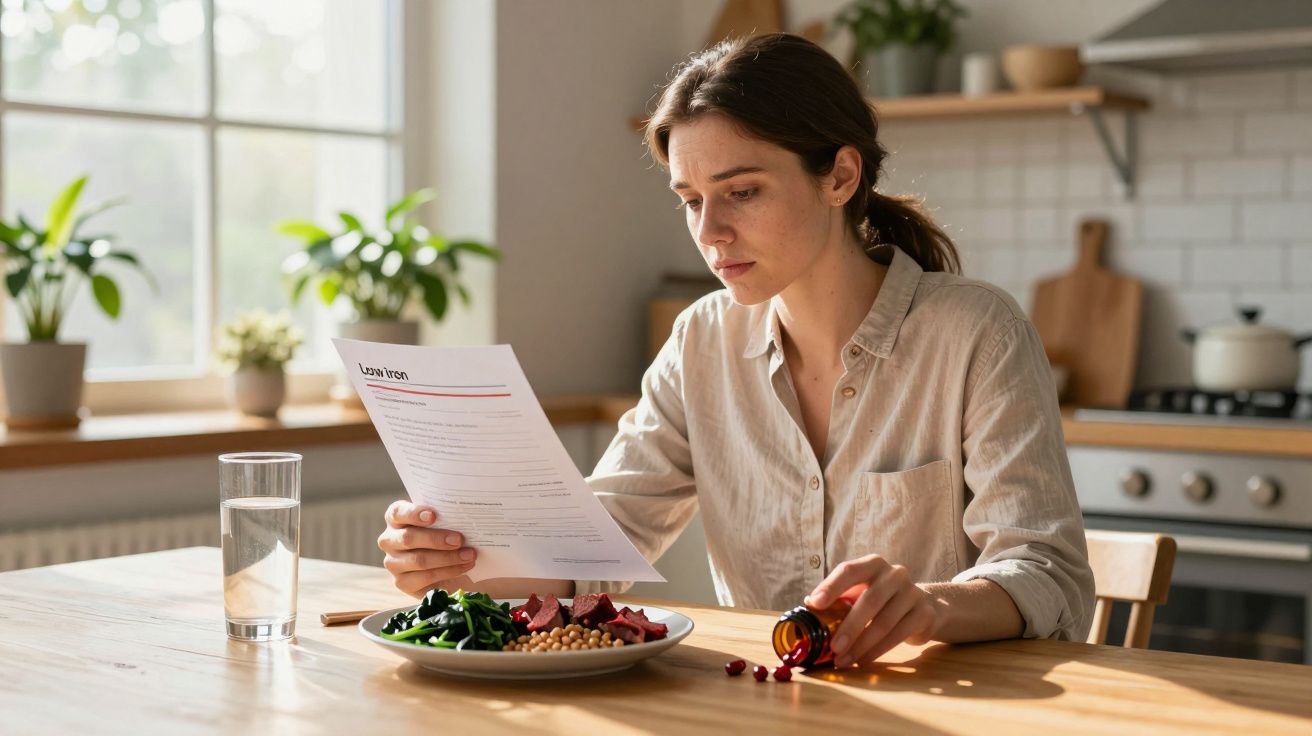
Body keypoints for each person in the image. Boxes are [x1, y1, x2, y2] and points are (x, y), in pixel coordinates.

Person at [378, 33, 1093, 668]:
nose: (710, 230)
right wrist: (462, 565)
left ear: (841, 177)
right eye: (690, 199)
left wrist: (932, 606)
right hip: (767, 708)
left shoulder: (977, 332)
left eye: (741, 191)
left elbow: (1048, 571)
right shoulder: (700, 340)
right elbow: (595, 546)